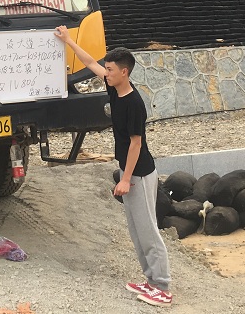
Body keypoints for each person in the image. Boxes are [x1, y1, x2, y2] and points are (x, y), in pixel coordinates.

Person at [54, 26, 173, 307]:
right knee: (136, 230)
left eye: (110, 70)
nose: (105, 73)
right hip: (129, 171)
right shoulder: (114, 87)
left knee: (148, 230)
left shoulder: (134, 103)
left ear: (124, 72)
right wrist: (69, 40)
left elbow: (136, 144)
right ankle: (150, 280)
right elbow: (89, 63)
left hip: (140, 173)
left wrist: (126, 178)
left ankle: (163, 288)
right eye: (106, 69)